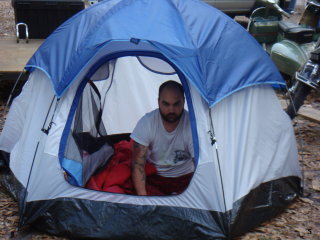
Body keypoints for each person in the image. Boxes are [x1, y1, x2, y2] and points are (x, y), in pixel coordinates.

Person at [130, 80, 194, 196]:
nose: (171, 110)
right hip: (156, 179)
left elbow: (200, 164)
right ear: (158, 102)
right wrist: (144, 201)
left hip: (186, 178)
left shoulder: (193, 125)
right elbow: (138, 164)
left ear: (184, 102)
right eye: (166, 104)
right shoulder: (147, 123)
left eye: (176, 104)